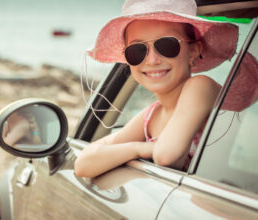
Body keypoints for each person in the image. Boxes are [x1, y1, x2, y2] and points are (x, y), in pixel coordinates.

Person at [74, 0, 239, 178]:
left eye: (167, 45)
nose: (152, 60)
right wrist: (138, 148)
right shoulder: (151, 115)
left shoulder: (201, 86)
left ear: (193, 51)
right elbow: (83, 164)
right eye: (137, 50)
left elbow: (166, 156)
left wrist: (135, 152)